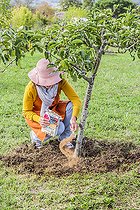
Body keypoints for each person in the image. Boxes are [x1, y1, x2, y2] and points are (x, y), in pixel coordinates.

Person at [22, 58, 81, 149]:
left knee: (71, 107)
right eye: (45, 81)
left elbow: (76, 100)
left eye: (51, 80)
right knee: (60, 128)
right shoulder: (31, 88)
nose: (49, 84)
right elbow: (26, 111)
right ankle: (36, 137)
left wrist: (74, 118)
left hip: (54, 109)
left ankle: (65, 138)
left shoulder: (60, 81)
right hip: (39, 115)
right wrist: (39, 119)